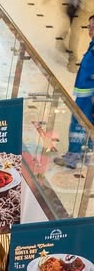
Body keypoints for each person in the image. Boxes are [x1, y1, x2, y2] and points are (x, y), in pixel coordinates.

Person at [57, 15, 94, 166]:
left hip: (89, 95)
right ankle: (86, 154)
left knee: (78, 124)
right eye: (89, 26)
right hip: (86, 92)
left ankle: (72, 158)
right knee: (88, 123)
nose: (90, 30)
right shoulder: (92, 45)